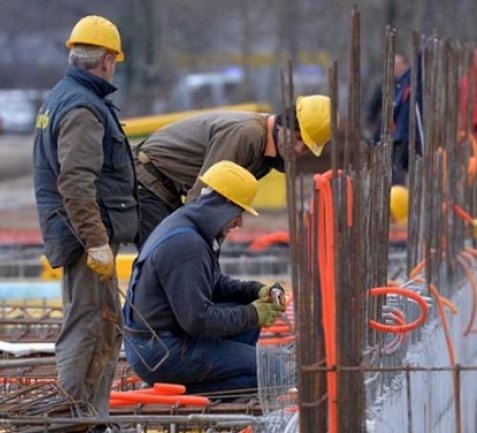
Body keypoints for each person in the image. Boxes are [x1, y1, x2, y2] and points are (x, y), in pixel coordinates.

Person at [32, 15, 137, 425]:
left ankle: (89, 417)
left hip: (79, 233)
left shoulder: (65, 95)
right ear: (107, 60)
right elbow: (75, 182)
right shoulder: (81, 107)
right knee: (89, 330)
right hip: (84, 239)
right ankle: (71, 420)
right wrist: (95, 241)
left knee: (104, 326)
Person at [123, 161, 286, 394]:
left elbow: (213, 282)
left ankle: (217, 371)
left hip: (159, 342)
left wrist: (254, 291)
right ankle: (187, 389)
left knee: (247, 320)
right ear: (223, 206)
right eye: (238, 212)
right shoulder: (187, 245)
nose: (239, 222)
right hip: (160, 352)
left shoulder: (190, 227)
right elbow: (197, 320)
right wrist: (252, 313)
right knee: (274, 370)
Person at [134, 94, 332, 246]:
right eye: (297, 138)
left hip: (166, 186)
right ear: (283, 124)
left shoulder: (267, 153)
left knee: (178, 255)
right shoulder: (249, 135)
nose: (298, 150)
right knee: (169, 257)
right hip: (148, 179)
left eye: (306, 147)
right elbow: (205, 194)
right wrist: (204, 247)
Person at [366, 54, 423, 186]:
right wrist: (372, 124)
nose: (395, 68)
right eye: (394, 65)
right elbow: (372, 106)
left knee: (401, 167)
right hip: (387, 133)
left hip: (404, 134)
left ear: (406, 65)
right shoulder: (384, 84)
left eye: (398, 65)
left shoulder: (411, 84)